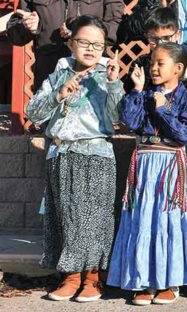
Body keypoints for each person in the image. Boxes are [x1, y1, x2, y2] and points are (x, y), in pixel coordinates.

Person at [26, 15, 123, 303]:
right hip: (61, 153)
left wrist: (115, 85)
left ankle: (92, 278)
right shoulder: (58, 73)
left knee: (94, 219)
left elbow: (117, 118)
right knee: (65, 218)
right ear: (71, 43)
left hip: (95, 153)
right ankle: (70, 276)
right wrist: (59, 94)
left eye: (98, 44)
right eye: (84, 42)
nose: (91, 49)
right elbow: (33, 113)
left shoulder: (109, 74)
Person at [108, 43, 187, 305]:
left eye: (160, 63)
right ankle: (143, 280)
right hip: (143, 162)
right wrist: (138, 90)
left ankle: (169, 280)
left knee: (169, 220)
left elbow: (184, 134)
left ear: (178, 69)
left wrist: (164, 108)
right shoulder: (144, 93)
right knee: (143, 219)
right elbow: (130, 122)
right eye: (151, 62)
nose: (153, 68)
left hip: (170, 165)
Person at [122, 7, 180, 93]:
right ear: (147, 37)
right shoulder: (140, 64)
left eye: (166, 38)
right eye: (154, 38)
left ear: (177, 35)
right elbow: (129, 97)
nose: (160, 43)